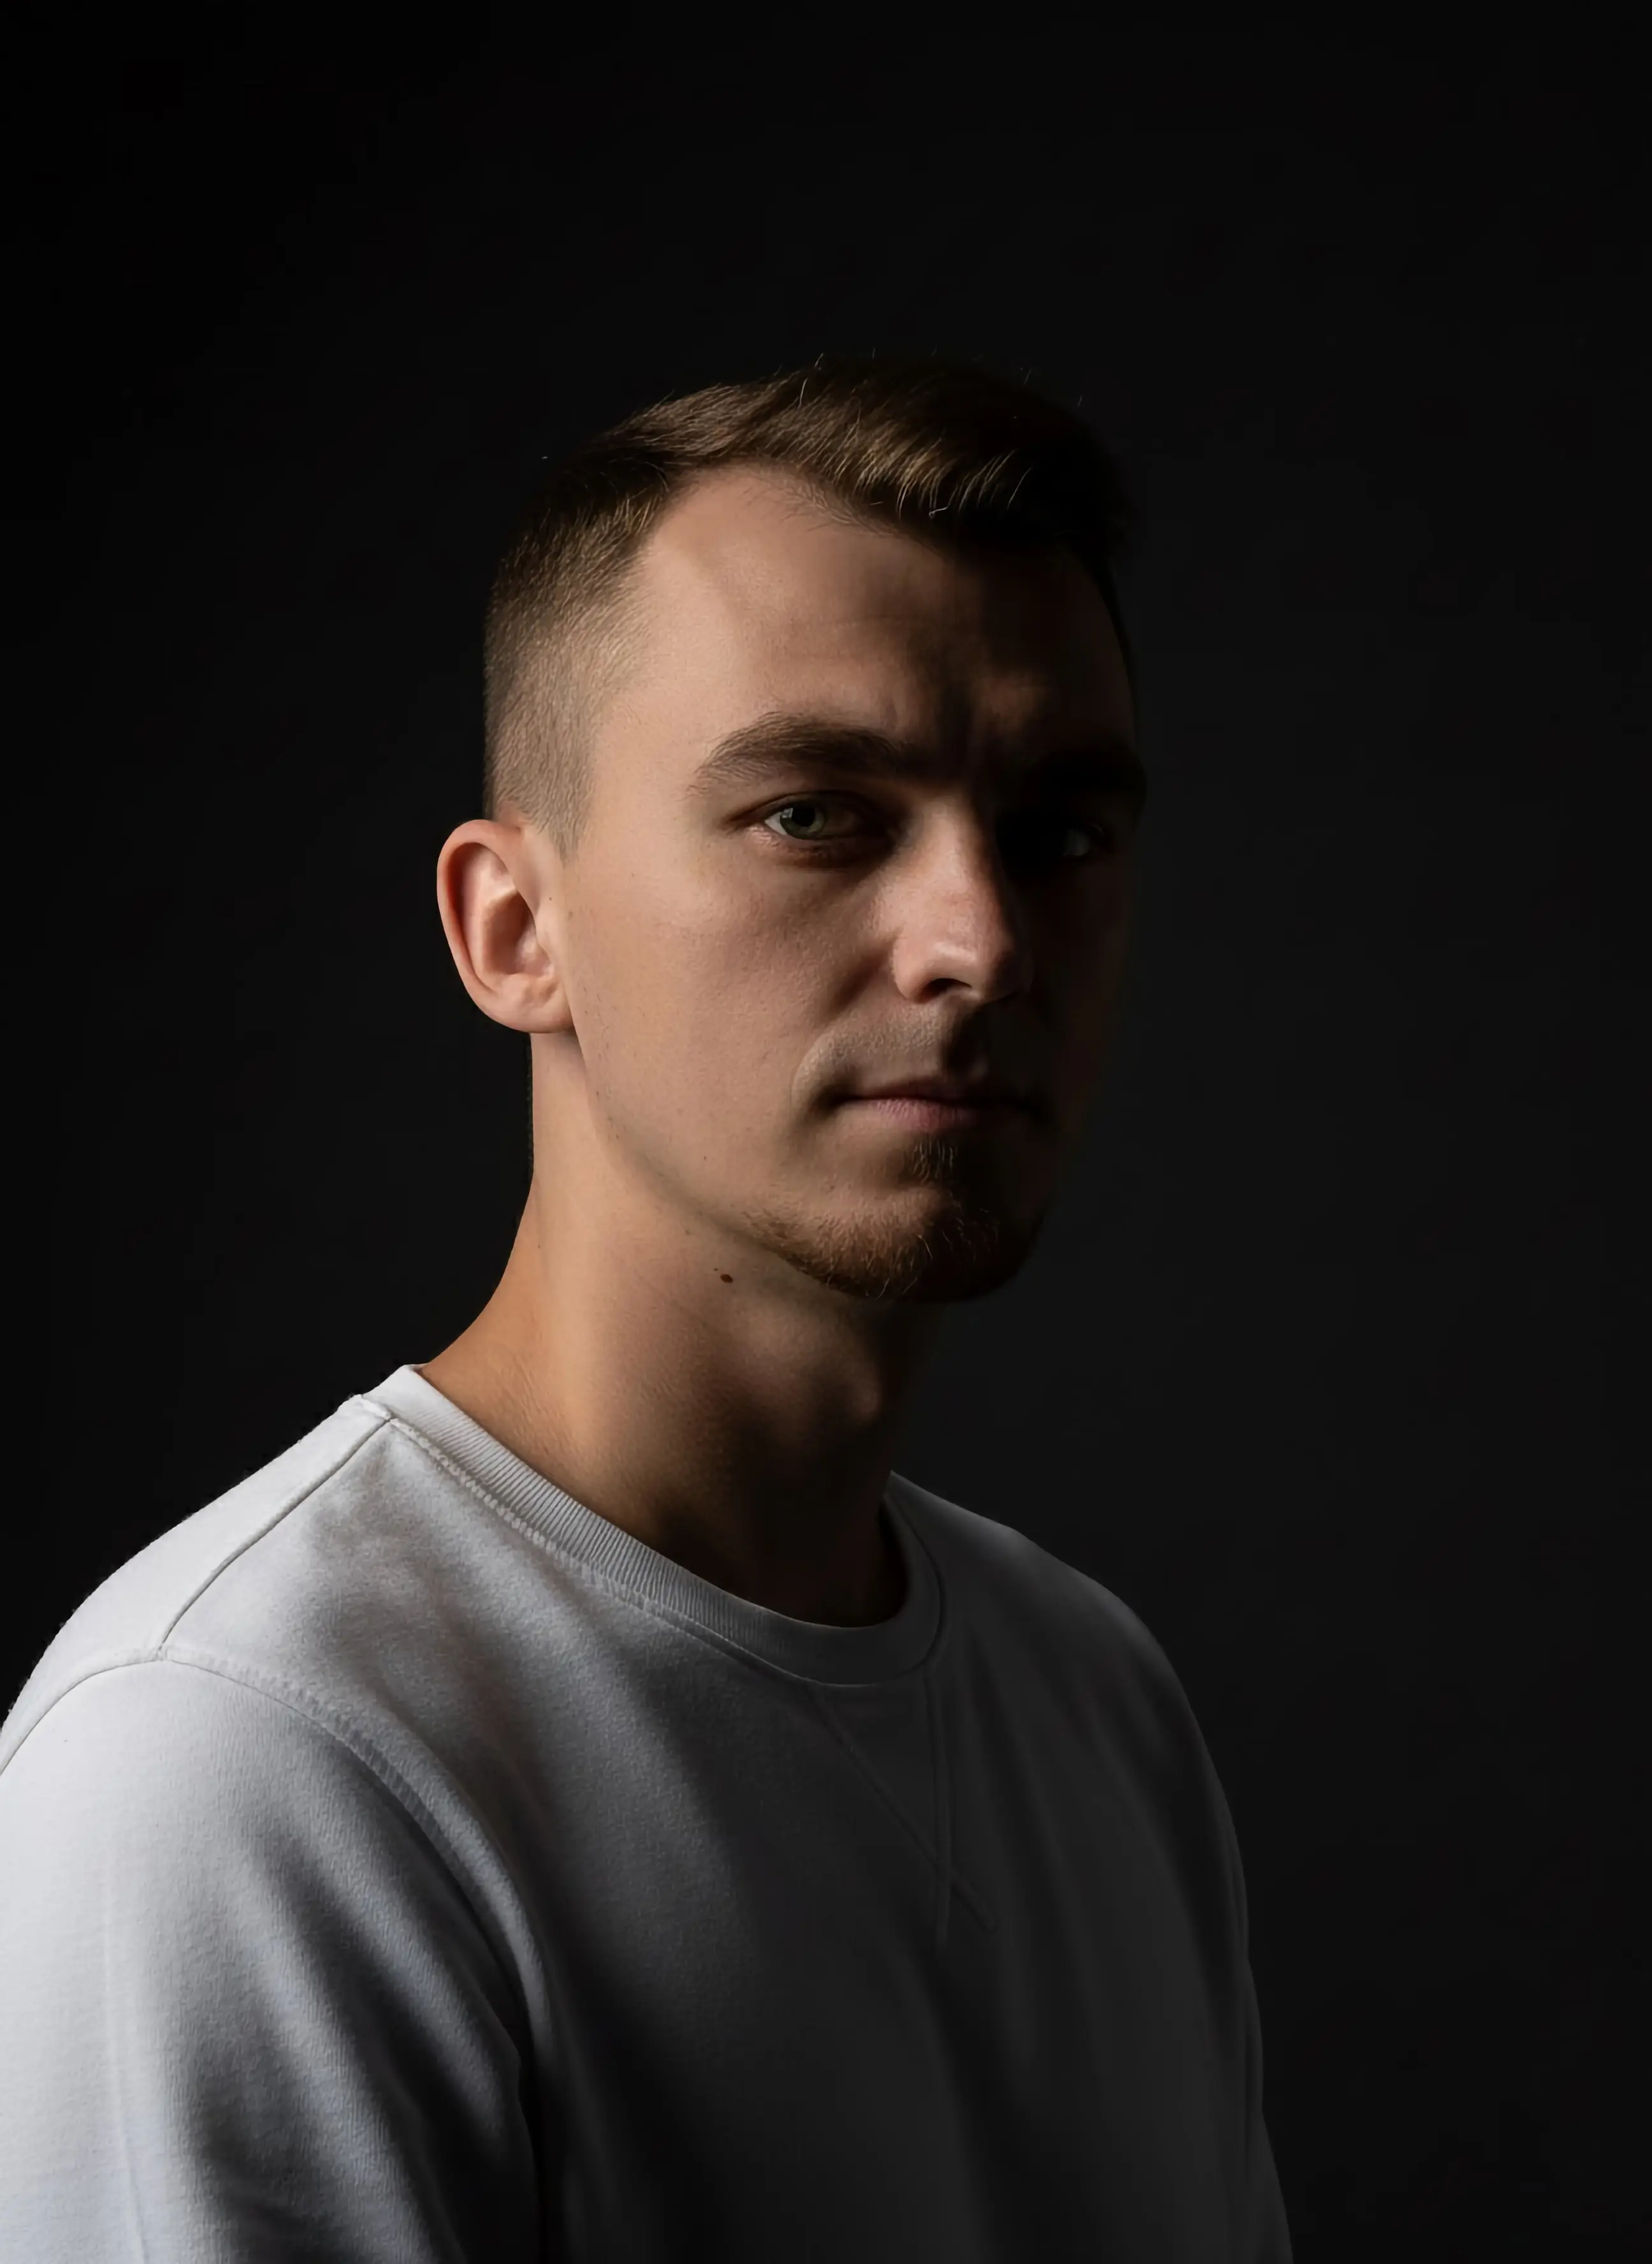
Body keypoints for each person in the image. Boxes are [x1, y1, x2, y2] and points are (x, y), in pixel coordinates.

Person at [1, 354, 1292, 2260]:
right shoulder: (246, 1755)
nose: (984, 937)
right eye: (815, 815)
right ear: (513, 930)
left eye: (1062, 829)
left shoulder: (1096, 1700)